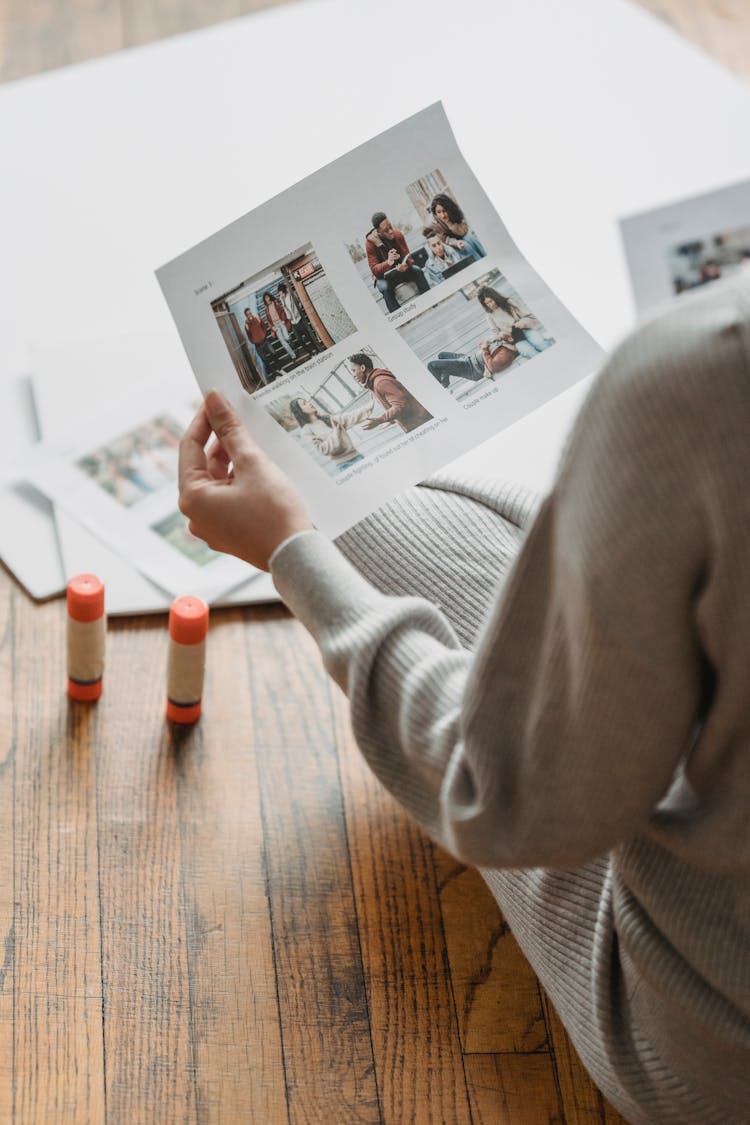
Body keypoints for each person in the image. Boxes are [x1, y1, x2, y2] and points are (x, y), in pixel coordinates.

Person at [178, 277, 750, 1125]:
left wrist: (293, 554)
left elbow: (508, 798)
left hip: (710, 1049)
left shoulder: (698, 377)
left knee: (359, 525)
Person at [348, 352, 433, 432]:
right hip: (416, 423)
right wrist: (391, 421)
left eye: (354, 370)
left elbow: (400, 405)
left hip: (420, 424)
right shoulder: (374, 384)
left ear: (363, 368)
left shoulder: (381, 383)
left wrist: (380, 420)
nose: (353, 375)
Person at [366, 211, 430, 312]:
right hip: (384, 277)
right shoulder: (370, 244)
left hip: (401, 271)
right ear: (378, 232)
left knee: (417, 271)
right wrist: (388, 262)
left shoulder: (398, 235)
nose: (391, 231)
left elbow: (408, 257)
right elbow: (374, 270)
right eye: (386, 230)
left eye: (390, 226)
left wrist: (406, 265)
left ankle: (430, 301)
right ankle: (399, 317)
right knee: (384, 287)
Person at [288, 396, 371, 472]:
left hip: (358, 456)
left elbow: (349, 417)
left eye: (307, 401)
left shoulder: (327, 418)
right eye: (304, 404)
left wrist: (370, 405)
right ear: (299, 411)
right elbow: (322, 449)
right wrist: (335, 433)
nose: (309, 403)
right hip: (345, 465)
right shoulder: (306, 430)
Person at [476, 284, 551, 359]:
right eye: (487, 303)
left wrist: (522, 323)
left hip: (525, 330)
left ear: (495, 297)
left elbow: (530, 316)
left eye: (491, 301)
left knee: (540, 343)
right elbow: (495, 333)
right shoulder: (489, 315)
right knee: (528, 351)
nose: (490, 305)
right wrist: (496, 337)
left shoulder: (509, 302)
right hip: (515, 339)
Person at [427, 338, 518, 387]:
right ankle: (445, 378)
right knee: (442, 355)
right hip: (468, 359)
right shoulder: (504, 344)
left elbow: (491, 367)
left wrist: (485, 348)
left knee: (431, 365)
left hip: (471, 368)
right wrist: (488, 343)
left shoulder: (507, 353)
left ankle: (442, 386)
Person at [429, 193, 486, 261]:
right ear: (435, 213)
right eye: (439, 212)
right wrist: (457, 243)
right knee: (465, 245)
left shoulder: (455, 213)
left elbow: (463, 231)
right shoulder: (435, 225)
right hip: (452, 244)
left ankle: (486, 257)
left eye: (444, 211)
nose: (442, 215)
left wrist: (449, 223)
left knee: (470, 238)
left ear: (449, 208)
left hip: (463, 237)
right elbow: (446, 240)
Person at [263, 290, 296, 363]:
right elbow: (268, 321)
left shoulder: (276, 303)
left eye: (268, 297)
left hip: (281, 322)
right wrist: (272, 328)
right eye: (265, 298)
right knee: (283, 342)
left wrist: (283, 320)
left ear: (270, 297)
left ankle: (291, 342)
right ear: (264, 300)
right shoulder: (266, 310)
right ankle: (293, 355)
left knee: (287, 337)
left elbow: (282, 311)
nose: (267, 299)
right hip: (276, 326)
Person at [278, 282, 311, 353]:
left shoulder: (291, 294)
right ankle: (310, 352)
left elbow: (298, 301)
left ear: (285, 291)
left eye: (282, 293)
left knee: (308, 335)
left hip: (299, 319)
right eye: (280, 294)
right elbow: (285, 309)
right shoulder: (281, 299)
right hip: (292, 322)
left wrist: (299, 310)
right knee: (299, 339)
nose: (281, 295)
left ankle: (316, 349)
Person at [243, 307, 271, 385]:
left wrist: (264, 335)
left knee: (273, 353)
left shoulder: (257, 319)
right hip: (258, 345)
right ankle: (274, 372)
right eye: (248, 314)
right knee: (265, 360)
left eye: (250, 313)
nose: (250, 315)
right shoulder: (247, 325)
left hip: (265, 341)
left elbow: (264, 327)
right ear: (246, 316)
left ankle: (279, 368)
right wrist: (254, 341)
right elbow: (249, 336)